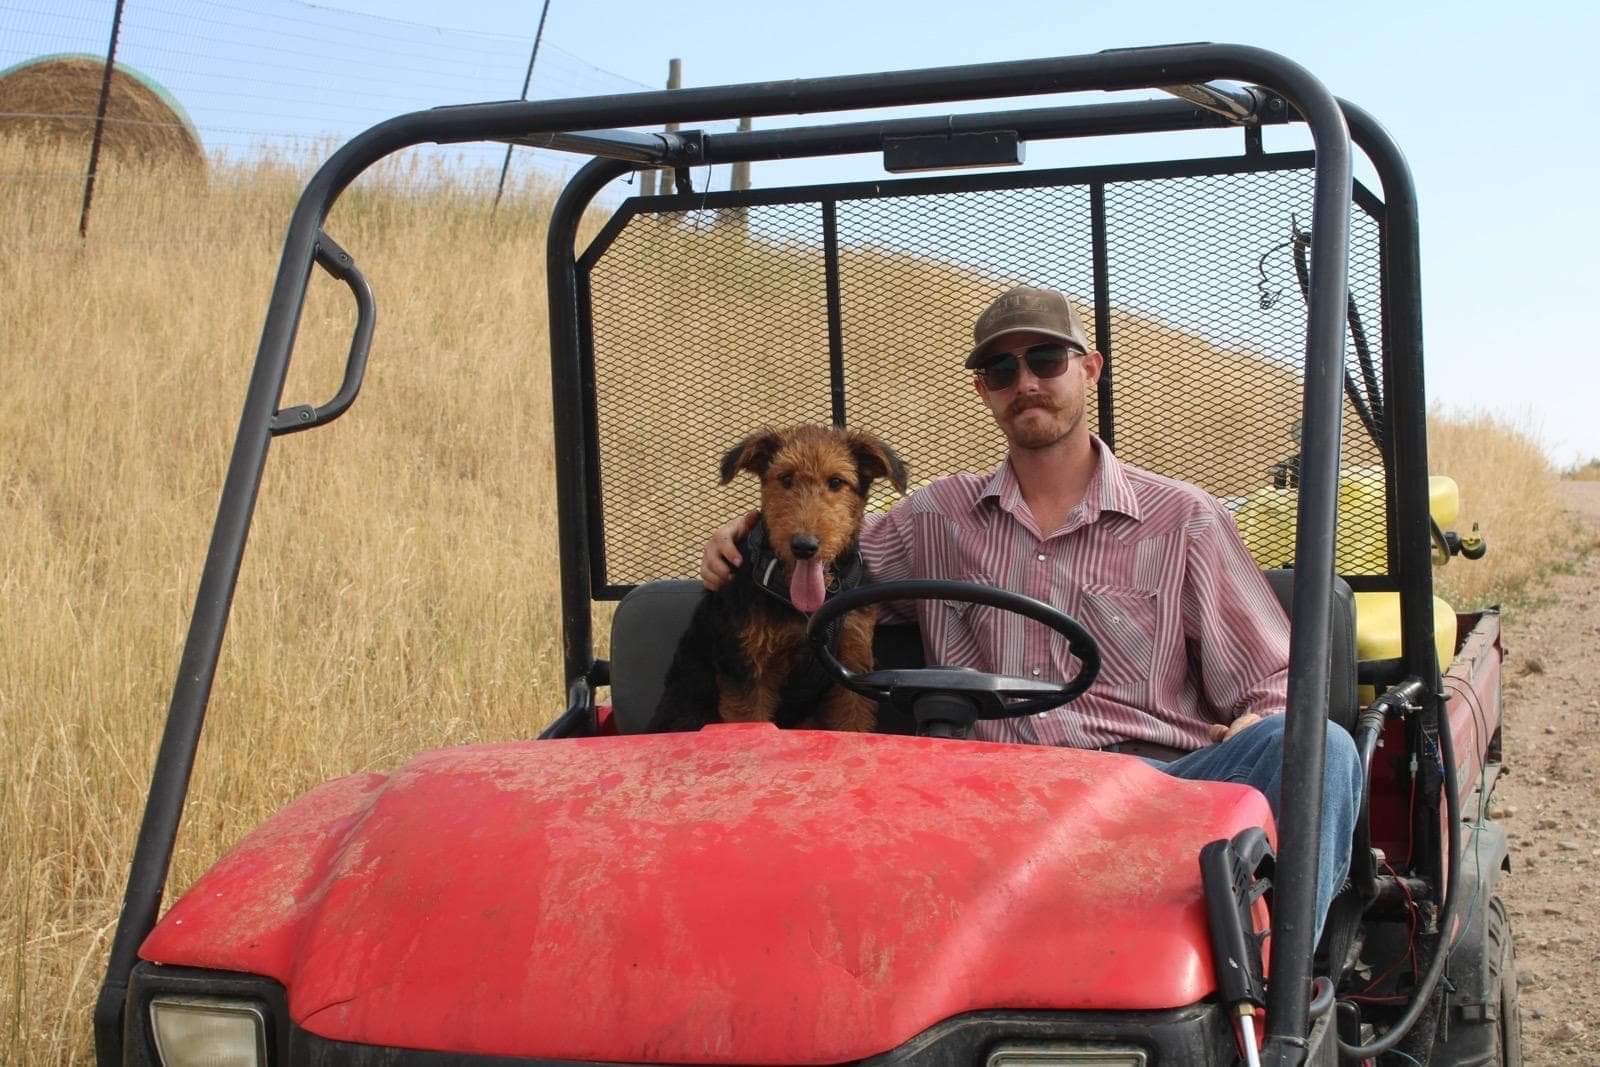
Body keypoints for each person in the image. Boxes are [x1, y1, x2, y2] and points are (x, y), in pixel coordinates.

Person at [700, 284, 1363, 941]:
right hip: (981, 794)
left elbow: (1273, 679)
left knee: (1319, 747)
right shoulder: (937, 516)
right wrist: (749, 533)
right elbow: (822, 558)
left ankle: (1285, 1001)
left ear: (1089, 368)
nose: (1026, 382)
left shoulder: (1182, 518)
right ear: (984, 390)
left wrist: (1254, 718)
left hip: (1146, 786)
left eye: (1046, 359)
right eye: (1001, 369)